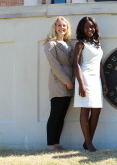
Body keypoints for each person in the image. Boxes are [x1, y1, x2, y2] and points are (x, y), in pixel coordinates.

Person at [73, 16, 108, 152]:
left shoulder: (97, 43)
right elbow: (75, 65)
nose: (90, 29)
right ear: (82, 28)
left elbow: (100, 64)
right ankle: (89, 143)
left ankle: (87, 142)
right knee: (85, 110)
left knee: (97, 110)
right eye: (87, 27)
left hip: (96, 80)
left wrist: (104, 83)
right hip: (85, 78)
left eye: (92, 26)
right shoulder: (80, 44)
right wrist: (81, 85)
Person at [44, 16, 74, 151]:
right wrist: (67, 81)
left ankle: (57, 143)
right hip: (58, 82)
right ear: (54, 28)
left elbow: (74, 64)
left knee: (62, 115)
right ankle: (50, 144)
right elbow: (55, 66)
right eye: (59, 25)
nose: (62, 28)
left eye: (64, 26)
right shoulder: (51, 45)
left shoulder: (69, 45)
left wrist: (72, 81)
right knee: (55, 113)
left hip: (70, 83)